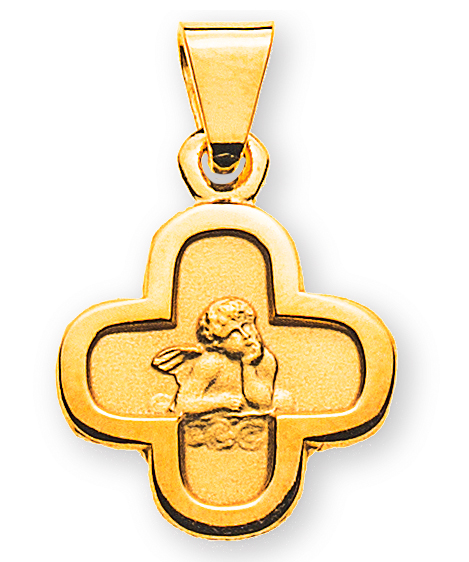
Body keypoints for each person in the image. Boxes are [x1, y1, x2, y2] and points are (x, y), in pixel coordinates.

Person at [152, 298, 277, 415]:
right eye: (234, 332)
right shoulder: (212, 362)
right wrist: (220, 403)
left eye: (246, 325)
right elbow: (183, 404)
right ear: (218, 342)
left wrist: (248, 365)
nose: (246, 335)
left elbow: (263, 404)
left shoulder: (264, 357)